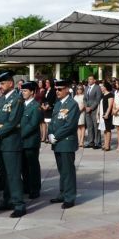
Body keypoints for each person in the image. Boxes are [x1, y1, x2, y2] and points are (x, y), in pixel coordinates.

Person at [0, 71, 26, 218]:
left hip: (10, 142)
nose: (1, 86)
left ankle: (19, 204)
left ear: (11, 83)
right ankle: (8, 200)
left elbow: (13, 121)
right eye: (0, 84)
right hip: (1, 143)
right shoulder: (2, 99)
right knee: (4, 174)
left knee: (13, 174)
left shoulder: (17, 99)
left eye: (3, 83)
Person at [47, 80, 81, 209]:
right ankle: (63, 193)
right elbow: (53, 121)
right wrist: (50, 133)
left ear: (67, 89)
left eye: (60, 89)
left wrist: (56, 135)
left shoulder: (72, 104)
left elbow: (70, 125)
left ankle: (70, 197)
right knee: (62, 170)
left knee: (68, 170)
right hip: (57, 143)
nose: (57, 91)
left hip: (66, 142)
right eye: (56, 89)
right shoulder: (58, 104)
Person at [20, 81, 43, 199]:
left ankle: (35, 188)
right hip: (21, 142)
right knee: (23, 166)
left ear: (32, 92)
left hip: (30, 141)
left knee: (32, 166)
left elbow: (33, 125)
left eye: (25, 91)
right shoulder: (21, 105)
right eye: (22, 91)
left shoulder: (36, 106)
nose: (23, 93)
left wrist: (20, 135)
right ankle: (26, 186)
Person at [83, 76, 102, 149]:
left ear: (94, 80)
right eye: (88, 79)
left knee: (96, 126)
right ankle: (90, 142)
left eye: (90, 79)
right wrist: (86, 106)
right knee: (89, 126)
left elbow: (98, 99)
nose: (89, 80)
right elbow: (84, 98)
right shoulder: (87, 88)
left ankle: (97, 142)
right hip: (87, 110)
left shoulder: (97, 88)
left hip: (94, 109)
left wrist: (91, 108)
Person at [98, 81, 114, 151]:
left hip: (107, 114)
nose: (101, 88)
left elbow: (110, 106)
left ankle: (108, 145)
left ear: (105, 87)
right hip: (102, 114)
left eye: (102, 87)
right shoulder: (102, 95)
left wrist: (107, 114)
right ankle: (105, 143)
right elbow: (100, 105)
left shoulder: (110, 95)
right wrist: (98, 114)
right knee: (104, 130)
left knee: (108, 130)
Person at [112, 80, 119, 151]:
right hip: (115, 111)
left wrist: (117, 110)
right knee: (118, 129)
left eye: (117, 83)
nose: (116, 84)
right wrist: (113, 109)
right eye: (115, 83)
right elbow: (114, 101)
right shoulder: (115, 92)